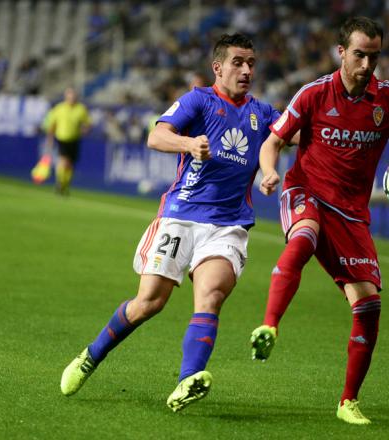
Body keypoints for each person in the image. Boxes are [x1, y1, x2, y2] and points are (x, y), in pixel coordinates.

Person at [249, 16, 389, 425]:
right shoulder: (314, 94)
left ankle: (348, 402)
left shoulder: (386, 100)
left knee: (369, 305)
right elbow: (273, 141)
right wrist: (268, 171)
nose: (367, 64)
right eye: (359, 54)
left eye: (374, 56)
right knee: (303, 237)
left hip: (351, 213)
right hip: (305, 190)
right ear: (341, 52)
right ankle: (269, 326)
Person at [60, 33, 288, 412]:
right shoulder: (198, 99)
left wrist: (268, 170)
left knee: (211, 296)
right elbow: (156, 135)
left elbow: (286, 137)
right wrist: (189, 144)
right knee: (149, 302)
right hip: (180, 216)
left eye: (251, 62)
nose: (247, 69)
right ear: (218, 67)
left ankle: (186, 382)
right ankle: (91, 356)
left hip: (227, 224)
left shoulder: (263, 113)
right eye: (238, 62)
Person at [45, 87, 91, 195]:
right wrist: (50, 139)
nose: (72, 98)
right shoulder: (59, 108)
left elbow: (88, 123)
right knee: (63, 161)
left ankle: (65, 184)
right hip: (62, 138)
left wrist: (85, 129)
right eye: (69, 95)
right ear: (66, 96)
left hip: (75, 139)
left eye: (73, 96)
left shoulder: (81, 109)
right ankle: (60, 182)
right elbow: (52, 125)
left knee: (70, 164)